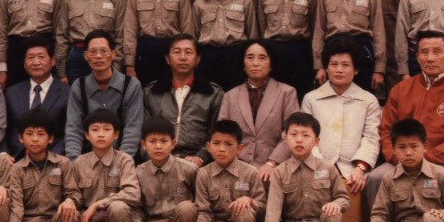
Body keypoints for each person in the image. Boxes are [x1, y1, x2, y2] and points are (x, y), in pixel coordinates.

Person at [367, 31, 444, 210]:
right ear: (417, 58)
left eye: (437, 52)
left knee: (429, 181)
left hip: (442, 166)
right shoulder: (400, 90)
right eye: (424, 52)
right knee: (376, 178)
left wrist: (423, 158)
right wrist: (398, 157)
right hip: (400, 161)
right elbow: (385, 131)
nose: (430, 58)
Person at [296, 36, 382, 222]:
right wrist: (322, 166)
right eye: (333, 64)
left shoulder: (367, 100)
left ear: (356, 70)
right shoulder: (312, 99)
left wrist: (361, 167)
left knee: (351, 186)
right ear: (326, 68)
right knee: (319, 185)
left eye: (345, 65)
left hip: (351, 166)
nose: (339, 70)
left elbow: (371, 137)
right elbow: (306, 136)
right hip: (317, 163)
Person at [260, 112, 349, 222]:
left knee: (333, 214)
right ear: (285, 138)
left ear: (316, 141)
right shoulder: (279, 172)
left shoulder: (328, 168)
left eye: (306, 135)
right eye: (293, 135)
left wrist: (336, 204)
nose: (299, 140)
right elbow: (273, 210)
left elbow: (343, 198)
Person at [0, 109, 81, 222]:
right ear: (21, 138)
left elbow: (74, 193)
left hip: (55, 221)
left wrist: (70, 200)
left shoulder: (63, 163)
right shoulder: (17, 169)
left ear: (50, 138)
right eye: (29, 134)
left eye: (41, 134)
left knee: (72, 213)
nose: (35, 139)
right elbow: (16, 204)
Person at [183, 119, 265, 222]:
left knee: (243, 209)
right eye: (216, 143)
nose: (221, 149)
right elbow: (204, 211)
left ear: (240, 148)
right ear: (209, 146)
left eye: (228, 144)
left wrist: (249, 200)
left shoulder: (250, 172)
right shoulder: (203, 174)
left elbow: (263, 206)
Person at [123, 116, 199, 222]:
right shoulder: (138, 173)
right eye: (152, 141)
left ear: (173, 143)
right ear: (143, 144)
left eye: (164, 141)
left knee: (186, 207)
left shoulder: (189, 169)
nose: (158, 146)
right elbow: (136, 206)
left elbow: (201, 201)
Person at [69, 108, 141, 222]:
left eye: (107, 129)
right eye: (95, 130)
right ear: (86, 135)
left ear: (116, 134)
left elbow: (132, 193)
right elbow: (75, 193)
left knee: (118, 207)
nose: (101, 134)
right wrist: (71, 202)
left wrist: (98, 204)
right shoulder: (80, 162)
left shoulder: (124, 160)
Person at [311, 0, 385, 95]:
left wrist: (379, 69)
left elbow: (379, 33)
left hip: (362, 50)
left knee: (360, 96)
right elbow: (319, 31)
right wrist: (319, 66)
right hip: (333, 50)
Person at [121, 0, 198, 87]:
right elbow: (130, 31)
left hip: (173, 53)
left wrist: (187, 59)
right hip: (144, 52)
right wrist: (129, 64)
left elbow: (188, 32)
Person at [141, 34, 223, 166]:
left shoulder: (213, 94)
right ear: (168, 59)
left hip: (198, 162)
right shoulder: (151, 92)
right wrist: (156, 159)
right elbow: (142, 133)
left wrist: (201, 158)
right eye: (177, 52)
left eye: (188, 52)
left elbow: (218, 134)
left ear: (197, 59)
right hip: (158, 159)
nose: (183, 57)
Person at [216, 41, 300, 168]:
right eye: (250, 57)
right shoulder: (230, 96)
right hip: (235, 167)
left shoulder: (286, 93)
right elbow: (222, 134)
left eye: (262, 58)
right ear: (243, 65)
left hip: (276, 168)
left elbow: (293, 132)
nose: (255, 63)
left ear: (271, 64)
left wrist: (272, 162)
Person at [63, 31, 144, 160]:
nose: (98, 56)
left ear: (113, 54)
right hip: (87, 159)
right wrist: (74, 162)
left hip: (122, 160)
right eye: (93, 52)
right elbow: (74, 129)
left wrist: (122, 163)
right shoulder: (79, 86)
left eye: (103, 51)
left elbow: (133, 129)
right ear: (85, 56)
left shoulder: (131, 85)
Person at [53, 0, 124, 82]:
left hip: (105, 56)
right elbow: (62, 36)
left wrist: (117, 69)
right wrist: (61, 72)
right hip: (77, 57)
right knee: (77, 93)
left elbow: (121, 36)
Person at [257, 0, 317, 99]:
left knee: (299, 96)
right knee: (273, 98)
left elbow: (314, 29)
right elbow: (262, 28)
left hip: (300, 52)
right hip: (273, 52)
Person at [194, 0, 259, 92]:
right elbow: (195, 35)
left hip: (236, 58)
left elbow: (252, 35)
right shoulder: (199, 3)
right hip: (208, 58)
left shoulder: (244, 0)